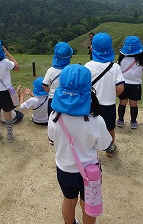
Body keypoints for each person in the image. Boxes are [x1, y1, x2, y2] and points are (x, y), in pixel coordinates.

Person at [48, 64, 112, 224]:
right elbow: (105, 145)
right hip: (89, 172)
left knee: (68, 200)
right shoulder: (96, 121)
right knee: (88, 204)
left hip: (64, 169)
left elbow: (52, 139)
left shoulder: (54, 116)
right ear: (89, 89)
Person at [85, 32, 125, 157]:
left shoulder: (88, 66)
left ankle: (91, 149)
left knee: (91, 127)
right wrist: (112, 94)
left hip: (92, 104)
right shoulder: (115, 67)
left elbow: (84, 87)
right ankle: (110, 148)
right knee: (109, 128)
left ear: (93, 48)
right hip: (109, 104)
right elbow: (121, 87)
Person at [116, 36, 143, 129]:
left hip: (124, 84)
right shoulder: (142, 60)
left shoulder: (122, 59)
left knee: (122, 103)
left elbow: (118, 68)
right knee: (134, 104)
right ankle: (133, 122)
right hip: (136, 85)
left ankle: (120, 120)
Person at [42, 42, 73, 118]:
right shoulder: (71, 70)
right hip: (67, 99)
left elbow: (44, 85)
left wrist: (51, 92)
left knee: (52, 120)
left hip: (53, 99)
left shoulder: (51, 70)